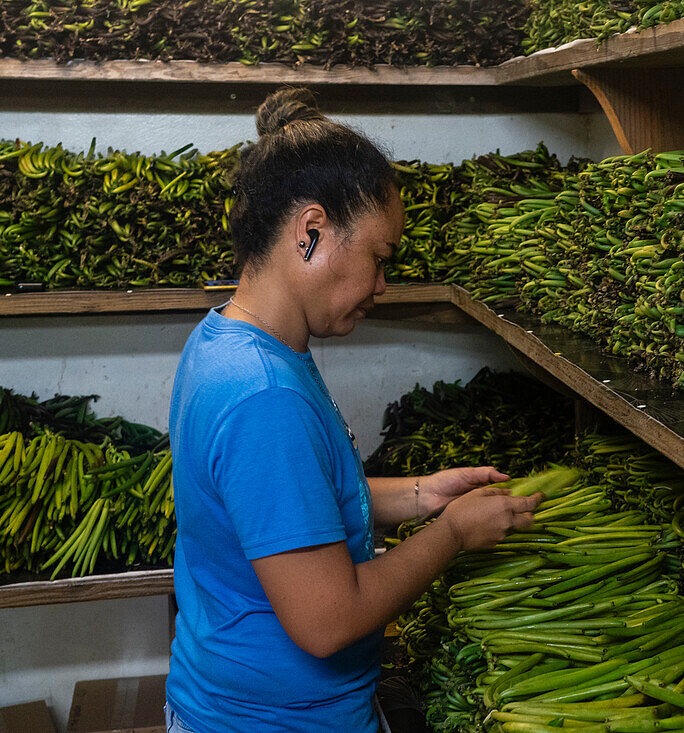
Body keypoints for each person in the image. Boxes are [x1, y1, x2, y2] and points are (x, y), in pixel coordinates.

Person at [165, 87, 542, 733]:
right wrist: (451, 534)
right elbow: (327, 620)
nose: (380, 286)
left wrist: (421, 495)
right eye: (378, 258)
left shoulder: (228, 342)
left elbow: (281, 504)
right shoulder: (265, 395)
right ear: (310, 232)